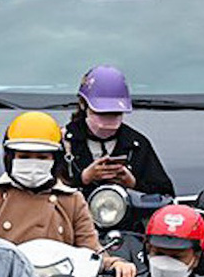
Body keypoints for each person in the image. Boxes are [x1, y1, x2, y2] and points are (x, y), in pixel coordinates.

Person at [0, 111, 133, 277]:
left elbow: (92, 250)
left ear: (55, 159)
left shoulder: (71, 200)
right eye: (24, 156)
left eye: (42, 157)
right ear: (9, 158)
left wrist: (115, 264)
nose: (33, 163)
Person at [60, 65, 174, 197]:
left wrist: (133, 184)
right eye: (101, 113)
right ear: (83, 104)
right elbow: (44, 194)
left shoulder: (136, 144)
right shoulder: (64, 140)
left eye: (115, 113)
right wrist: (84, 178)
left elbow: (166, 196)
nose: (107, 122)